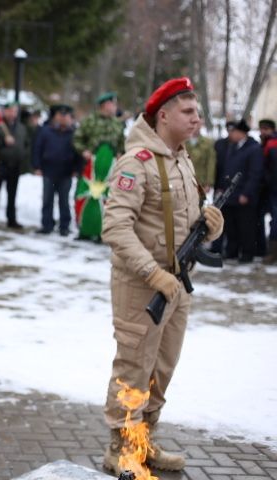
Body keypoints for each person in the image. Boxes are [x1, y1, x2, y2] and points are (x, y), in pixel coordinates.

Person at [100, 77, 224, 475]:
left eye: (199, 112)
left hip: (177, 284)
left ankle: (144, 442)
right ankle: (121, 450)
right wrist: (153, 274)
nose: (197, 119)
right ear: (164, 114)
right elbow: (115, 228)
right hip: (142, 285)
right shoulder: (137, 162)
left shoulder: (181, 158)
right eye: (188, 112)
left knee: (161, 369)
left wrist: (211, 226)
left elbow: (184, 223)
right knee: (134, 368)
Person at [72, 91, 125, 241]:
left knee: (106, 199)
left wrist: (121, 153)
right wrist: (84, 151)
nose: (115, 107)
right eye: (112, 104)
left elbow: (122, 143)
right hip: (91, 168)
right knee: (86, 197)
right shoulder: (90, 121)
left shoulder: (117, 124)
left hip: (109, 169)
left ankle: (101, 232)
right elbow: (77, 138)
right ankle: (84, 230)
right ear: (104, 105)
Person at [214, 119, 263, 263]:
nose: (231, 134)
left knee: (246, 226)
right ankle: (232, 251)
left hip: (244, 195)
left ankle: (247, 253)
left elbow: (255, 173)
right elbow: (227, 169)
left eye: (233, 132)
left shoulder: (253, 148)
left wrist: (246, 193)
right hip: (230, 194)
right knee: (231, 225)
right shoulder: (232, 147)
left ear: (242, 133)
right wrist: (222, 187)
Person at [32, 104, 81, 235]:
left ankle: (64, 226)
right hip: (49, 171)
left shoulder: (74, 133)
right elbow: (37, 148)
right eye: (60, 115)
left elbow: (78, 152)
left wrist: (77, 168)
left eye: (66, 116)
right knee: (47, 199)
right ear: (55, 117)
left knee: (64, 201)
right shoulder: (46, 131)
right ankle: (46, 224)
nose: (63, 118)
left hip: (66, 172)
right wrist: (37, 166)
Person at [0, 102, 30, 229]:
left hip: (14, 166)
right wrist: (3, 141)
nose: (12, 113)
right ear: (4, 111)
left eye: (14, 111)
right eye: (9, 111)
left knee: (12, 194)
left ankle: (11, 219)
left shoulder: (21, 128)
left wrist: (23, 155)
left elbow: (26, 145)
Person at [258, 119, 277, 263]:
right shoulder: (265, 143)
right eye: (261, 129)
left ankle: (272, 253)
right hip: (268, 189)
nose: (262, 132)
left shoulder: (272, 144)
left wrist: (268, 182)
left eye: (266, 129)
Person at [185, 114, 215, 192]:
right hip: (184, 181)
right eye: (193, 123)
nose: (196, 126)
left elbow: (211, 163)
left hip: (201, 182)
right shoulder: (182, 141)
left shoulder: (207, 143)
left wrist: (209, 183)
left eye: (199, 123)